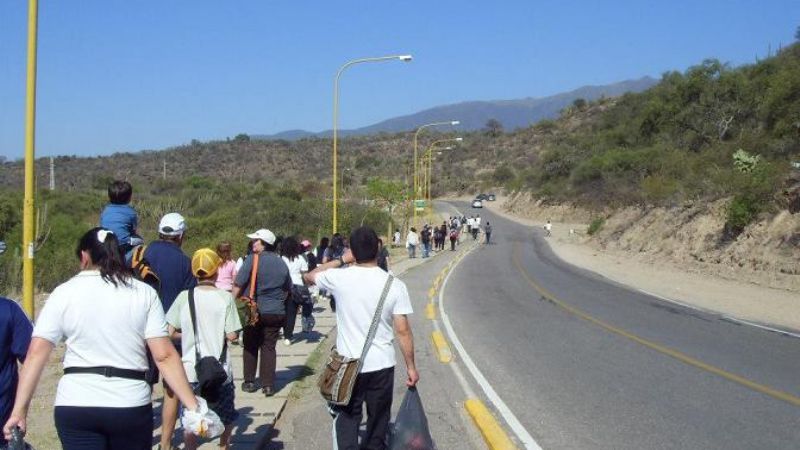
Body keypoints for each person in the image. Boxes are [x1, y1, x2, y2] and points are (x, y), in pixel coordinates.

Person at [3, 228, 202, 450]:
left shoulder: (64, 292)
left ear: (84, 257)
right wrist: (193, 406)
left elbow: (36, 353)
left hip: (76, 402)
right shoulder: (143, 293)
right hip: (129, 402)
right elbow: (164, 355)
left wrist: (20, 410)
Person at [304, 226, 418, 450]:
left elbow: (309, 277)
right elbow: (403, 331)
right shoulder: (394, 285)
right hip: (382, 365)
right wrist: (411, 367)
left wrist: (341, 260)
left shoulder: (340, 278)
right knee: (377, 422)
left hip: (348, 364)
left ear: (352, 251)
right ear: (378, 248)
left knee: (347, 418)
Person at [166, 248, 242, 450]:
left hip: (191, 367)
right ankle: (223, 445)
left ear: (194, 272)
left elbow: (168, 331)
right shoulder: (225, 298)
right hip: (220, 368)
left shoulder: (185, 297)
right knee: (225, 412)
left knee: (192, 413)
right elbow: (233, 335)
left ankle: (191, 447)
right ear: (216, 271)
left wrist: (187, 336)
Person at [143, 212, 198, 450]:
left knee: (141, 388)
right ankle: (165, 443)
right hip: (169, 333)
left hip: (139, 331)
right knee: (171, 390)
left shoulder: (142, 254)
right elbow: (189, 299)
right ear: (181, 235)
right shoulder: (185, 262)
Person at [232, 229, 292, 397]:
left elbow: (238, 283)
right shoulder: (281, 263)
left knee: (251, 345)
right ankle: (268, 385)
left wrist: (230, 303)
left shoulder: (252, 259)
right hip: (276, 311)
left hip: (254, 310)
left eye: (256, 241)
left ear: (264, 244)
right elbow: (288, 288)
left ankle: (250, 381)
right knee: (269, 347)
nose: (253, 243)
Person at [0, 297, 32, 449]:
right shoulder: (8, 309)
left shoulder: (8, 310)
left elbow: (32, 359)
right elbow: (34, 360)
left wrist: (20, 411)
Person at [99, 180, 143, 262]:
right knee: (140, 241)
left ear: (109, 196)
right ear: (129, 198)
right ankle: (128, 262)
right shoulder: (131, 212)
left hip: (106, 245)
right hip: (123, 246)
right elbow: (133, 230)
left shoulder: (105, 211)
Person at [280, 236, 312, 343]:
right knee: (292, 312)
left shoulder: (281, 259)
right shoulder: (300, 258)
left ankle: (285, 332)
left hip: (284, 287)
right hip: (297, 287)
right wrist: (307, 286)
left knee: (283, 311)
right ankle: (288, 336)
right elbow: (304, 275)